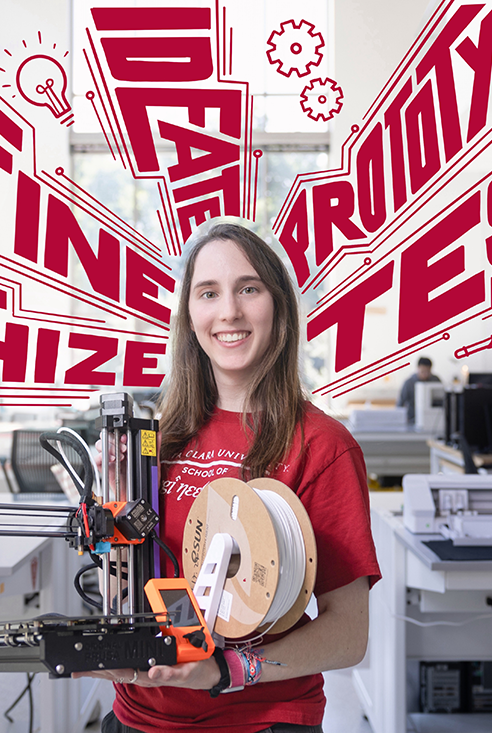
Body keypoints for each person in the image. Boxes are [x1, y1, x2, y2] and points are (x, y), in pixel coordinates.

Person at [82, 223, 381, 733]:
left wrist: (225, 670)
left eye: (249, 288)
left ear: (278, 306)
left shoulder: (322, 446)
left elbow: (349, 634)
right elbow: (126, 587)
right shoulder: (156, 440)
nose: (229, 312)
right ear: (189, 316)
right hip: (137, 718)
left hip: (259, 722)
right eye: (208, 293)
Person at [396, 357, 440, 425]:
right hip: (412, 419)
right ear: (418, 368)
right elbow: (400, 403)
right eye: (423, 371)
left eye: (428, 372)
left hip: (432, 420)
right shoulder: (409, 383)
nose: (425, 375)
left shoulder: (436, 381)